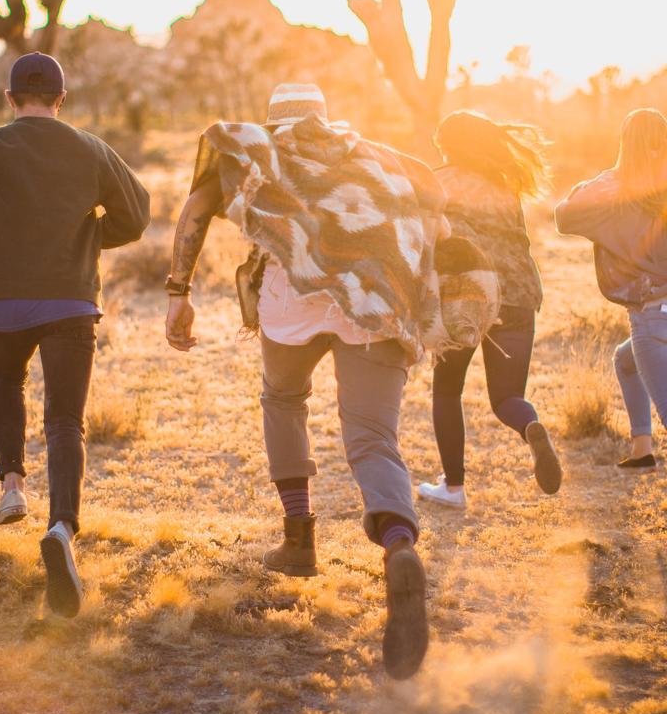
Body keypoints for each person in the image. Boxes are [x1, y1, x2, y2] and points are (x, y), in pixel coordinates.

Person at [166, 83, 451, 680]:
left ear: (273, 121)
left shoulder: (259, 151)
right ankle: (398, 543)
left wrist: (178, 290)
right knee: (373, 437)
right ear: (325, 118)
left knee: (284, 400)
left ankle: (299, 541)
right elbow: (437, 210)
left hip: (289, 307)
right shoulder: (372, 156)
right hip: (371, 305)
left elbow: (195, 209)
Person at [0, 52, 150, 618]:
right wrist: (87, 237)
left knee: (7, 380)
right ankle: (62, 528)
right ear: (61, 99)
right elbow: (138, 213)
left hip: (4, 300)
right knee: (66, 419)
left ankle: (12, 489)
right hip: (71, 298)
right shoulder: (91, 148)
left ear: (10, 98)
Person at [417, 110, 563, 509]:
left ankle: (453, 488)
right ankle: (529, 425)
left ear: (448, 145)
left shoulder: (439, 181)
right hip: (519, 292)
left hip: (466, 296)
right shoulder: (505, 184)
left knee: (447, 390)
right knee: (507, 397)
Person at [556, 108, 667, 472]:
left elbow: (564, 215)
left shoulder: (614, 186)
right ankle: (641, 449)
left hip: (652, 314)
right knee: (625, 360)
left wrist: (595, 180)